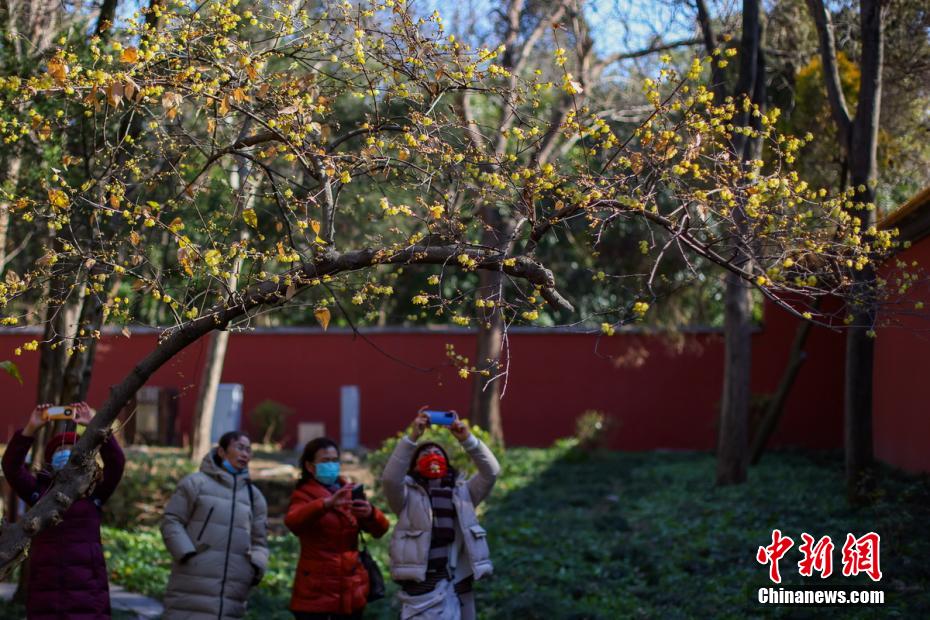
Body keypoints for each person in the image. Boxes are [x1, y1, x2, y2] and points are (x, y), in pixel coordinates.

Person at [1, 402, 126, 620]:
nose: (66, 456)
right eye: (60, 451)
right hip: (45, 588)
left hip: (88, 591)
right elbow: (12, 467)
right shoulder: (38, 494)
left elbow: (116, 463)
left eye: (73, 452)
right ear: (50, 460)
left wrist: (94, 427)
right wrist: (31, 428)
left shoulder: (93, 494)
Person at [381, 409, 500, 620]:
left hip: (460, 584)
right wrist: (412, 438)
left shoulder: (463, 493)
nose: (432, 457)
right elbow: (391, 479)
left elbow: (491, 472)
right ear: (414, 466)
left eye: (438, 454)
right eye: (425, 455)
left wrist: (467, 439)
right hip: (423, 588)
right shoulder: (406, 496)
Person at [161, 431, 269, 620]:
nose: (245, 454)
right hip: (192, 579)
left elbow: (259, 541)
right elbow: (172, 520)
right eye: (240, 448)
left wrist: (256, 567)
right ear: (221, 451)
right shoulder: (195, 483)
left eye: (248, 450)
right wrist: (187, 554)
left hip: (235, 585)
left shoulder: (254, 496)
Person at [285, 437, 390, 620]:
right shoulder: (303, 494)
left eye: (335, 460)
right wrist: (325, 504)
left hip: (351, 590)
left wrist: (370, 513)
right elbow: (293, 521)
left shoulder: (348, 491)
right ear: (310, 467)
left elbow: (381, 530)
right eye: (325, 461)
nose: (331, 465)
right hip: (317, 594)